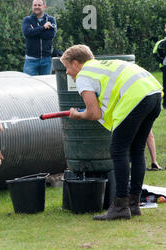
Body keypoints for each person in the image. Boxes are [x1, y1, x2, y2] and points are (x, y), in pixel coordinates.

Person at [60, 44, 163, 221]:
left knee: (118, 150)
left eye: (67, 67)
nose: (67, 73)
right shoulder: (102, 65)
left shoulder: (84, 75)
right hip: (153, 93)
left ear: (75, 63)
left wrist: (77, 115)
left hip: (135, 98)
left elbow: (94, 113)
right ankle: (133, 204)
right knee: (137, 149)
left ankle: (120, 206)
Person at [22, 0, 57, 76]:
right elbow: (27, 33)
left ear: (44, 7)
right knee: (28, 85)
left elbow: (50, 35)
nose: (36, 7)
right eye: (35, 5)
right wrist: (44, 28)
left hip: (46, 59)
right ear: (32, 7)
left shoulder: (51, 20)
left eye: (39, 5)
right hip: (31, 59)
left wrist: (34, 31)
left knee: (46, 85)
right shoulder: (27, 20)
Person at [152, 23, 166, 108]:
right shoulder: (161, 43)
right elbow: (154, 53)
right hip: (165, 67)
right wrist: (162, 61)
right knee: (165, 85)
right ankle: (165, 104)